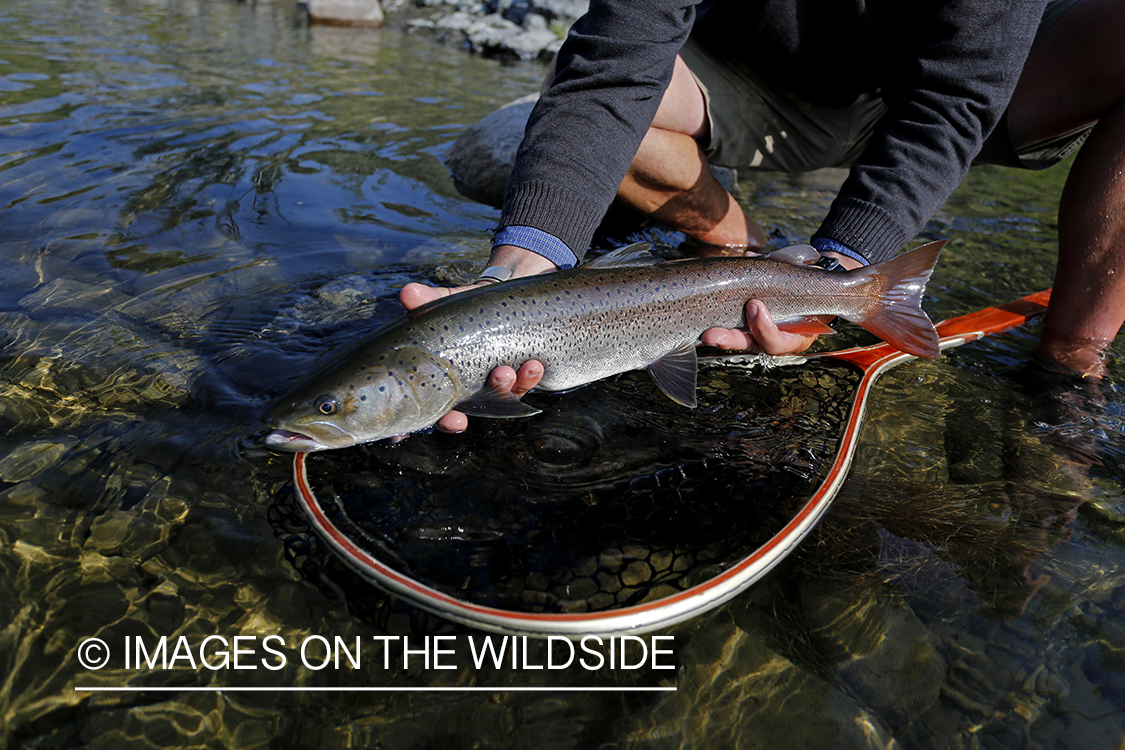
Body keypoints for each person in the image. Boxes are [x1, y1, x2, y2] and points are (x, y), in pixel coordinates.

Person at [401, 0, 1125, 434]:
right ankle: (731, 242)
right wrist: (523, 265)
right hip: (758, 79)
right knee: (572, 79)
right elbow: (615, 63)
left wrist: (846, 262)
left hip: (959, 92)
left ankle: (1071, 357)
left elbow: (954, 101)